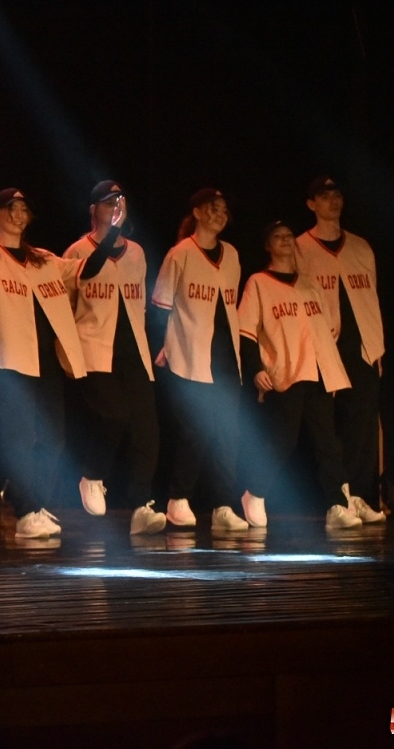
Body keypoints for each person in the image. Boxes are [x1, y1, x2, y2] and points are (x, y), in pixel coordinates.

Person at [0, 188, 88, 539]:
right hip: (10, 360)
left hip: (46, 360)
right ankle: (26, 511)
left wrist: (109, 236)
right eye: (11, 208)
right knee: (21, 437)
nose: (19, 214)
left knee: (55, 438)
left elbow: (84, 271)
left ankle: (28, 499)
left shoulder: (44, 259)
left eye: (24, 208)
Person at [236, 221, 364, 531]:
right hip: (287, 371)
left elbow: (326, 330)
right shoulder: (258, 282)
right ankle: (255, 492)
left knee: (327, 442)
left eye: (289, 236)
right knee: (283, 439)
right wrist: (256, 370)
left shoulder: (310, 284)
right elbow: (246, 332)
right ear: (268, 245)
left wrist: (331, 370)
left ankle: (336, 505)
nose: (285, 241)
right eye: (277, 237)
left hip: (318, 371)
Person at [63, 181, 166, 535]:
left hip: (133, 349)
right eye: (108, 203)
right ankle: (92, 475)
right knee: (114, 415)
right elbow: (65, 302)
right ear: (94, 210)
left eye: (120, 202)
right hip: (93, 346)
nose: (116, 208)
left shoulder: (136, 253)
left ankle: (141, 505)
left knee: (147, 430)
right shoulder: (77, 251)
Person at [150, 188, 249, 533]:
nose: (221, 214)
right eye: (214, 208)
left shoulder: (233, 255)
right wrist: (163, 349)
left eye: (224, 209)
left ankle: (224, 504)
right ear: (197, 212)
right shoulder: (180, 255)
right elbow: (160, 308)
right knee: (194, 432)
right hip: (188, 357)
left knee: (228, 433)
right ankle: (178, 500)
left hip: (225, 359)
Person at [296, 176, 386, 523]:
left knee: (362, 421)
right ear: (311, 204)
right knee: (327, 425)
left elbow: (371, 297)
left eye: (336, 195)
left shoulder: (361, 247)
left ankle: (360, 494)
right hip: (324, 345)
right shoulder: (302, 247)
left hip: (362, 345)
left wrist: (377, 346)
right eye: (323, 196)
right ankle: (338, 495)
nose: (332, 201)